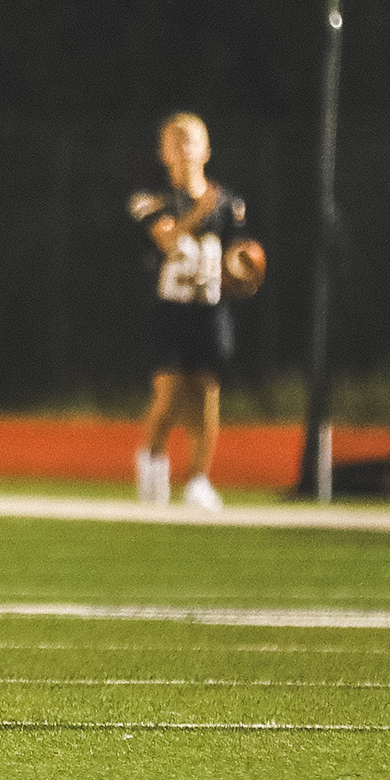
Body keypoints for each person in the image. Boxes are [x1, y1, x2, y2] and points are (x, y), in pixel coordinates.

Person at [129, 112, 249, 510]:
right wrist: (200, 211)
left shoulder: (230, 204)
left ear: (207, 149)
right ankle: (152, 458)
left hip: (210, 310)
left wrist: (243, 269)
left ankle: (198, 479)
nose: (184, 149)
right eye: (175, 141)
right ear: (164, 153)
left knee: (208, 396)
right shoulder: (152, 199)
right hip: (171, 308)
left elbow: (236, 254)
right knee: (168, 396)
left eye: (191, 140)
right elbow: (167, 241)